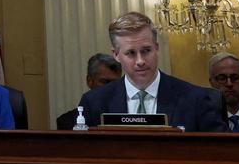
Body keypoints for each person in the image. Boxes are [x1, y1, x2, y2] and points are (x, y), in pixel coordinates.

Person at [77, 11, 226, 131]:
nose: (140, 61)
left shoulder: (195, 99)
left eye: (146, 50)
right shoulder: (94, 102)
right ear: (116, 55)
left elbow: (224, 152)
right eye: (131, 53)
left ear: (156, 48)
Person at [55, 52, 121, 129]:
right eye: (105, 82)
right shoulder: (66, 123)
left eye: (115, 83)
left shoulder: (128, 115)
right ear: (89, 81)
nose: (110, 88)